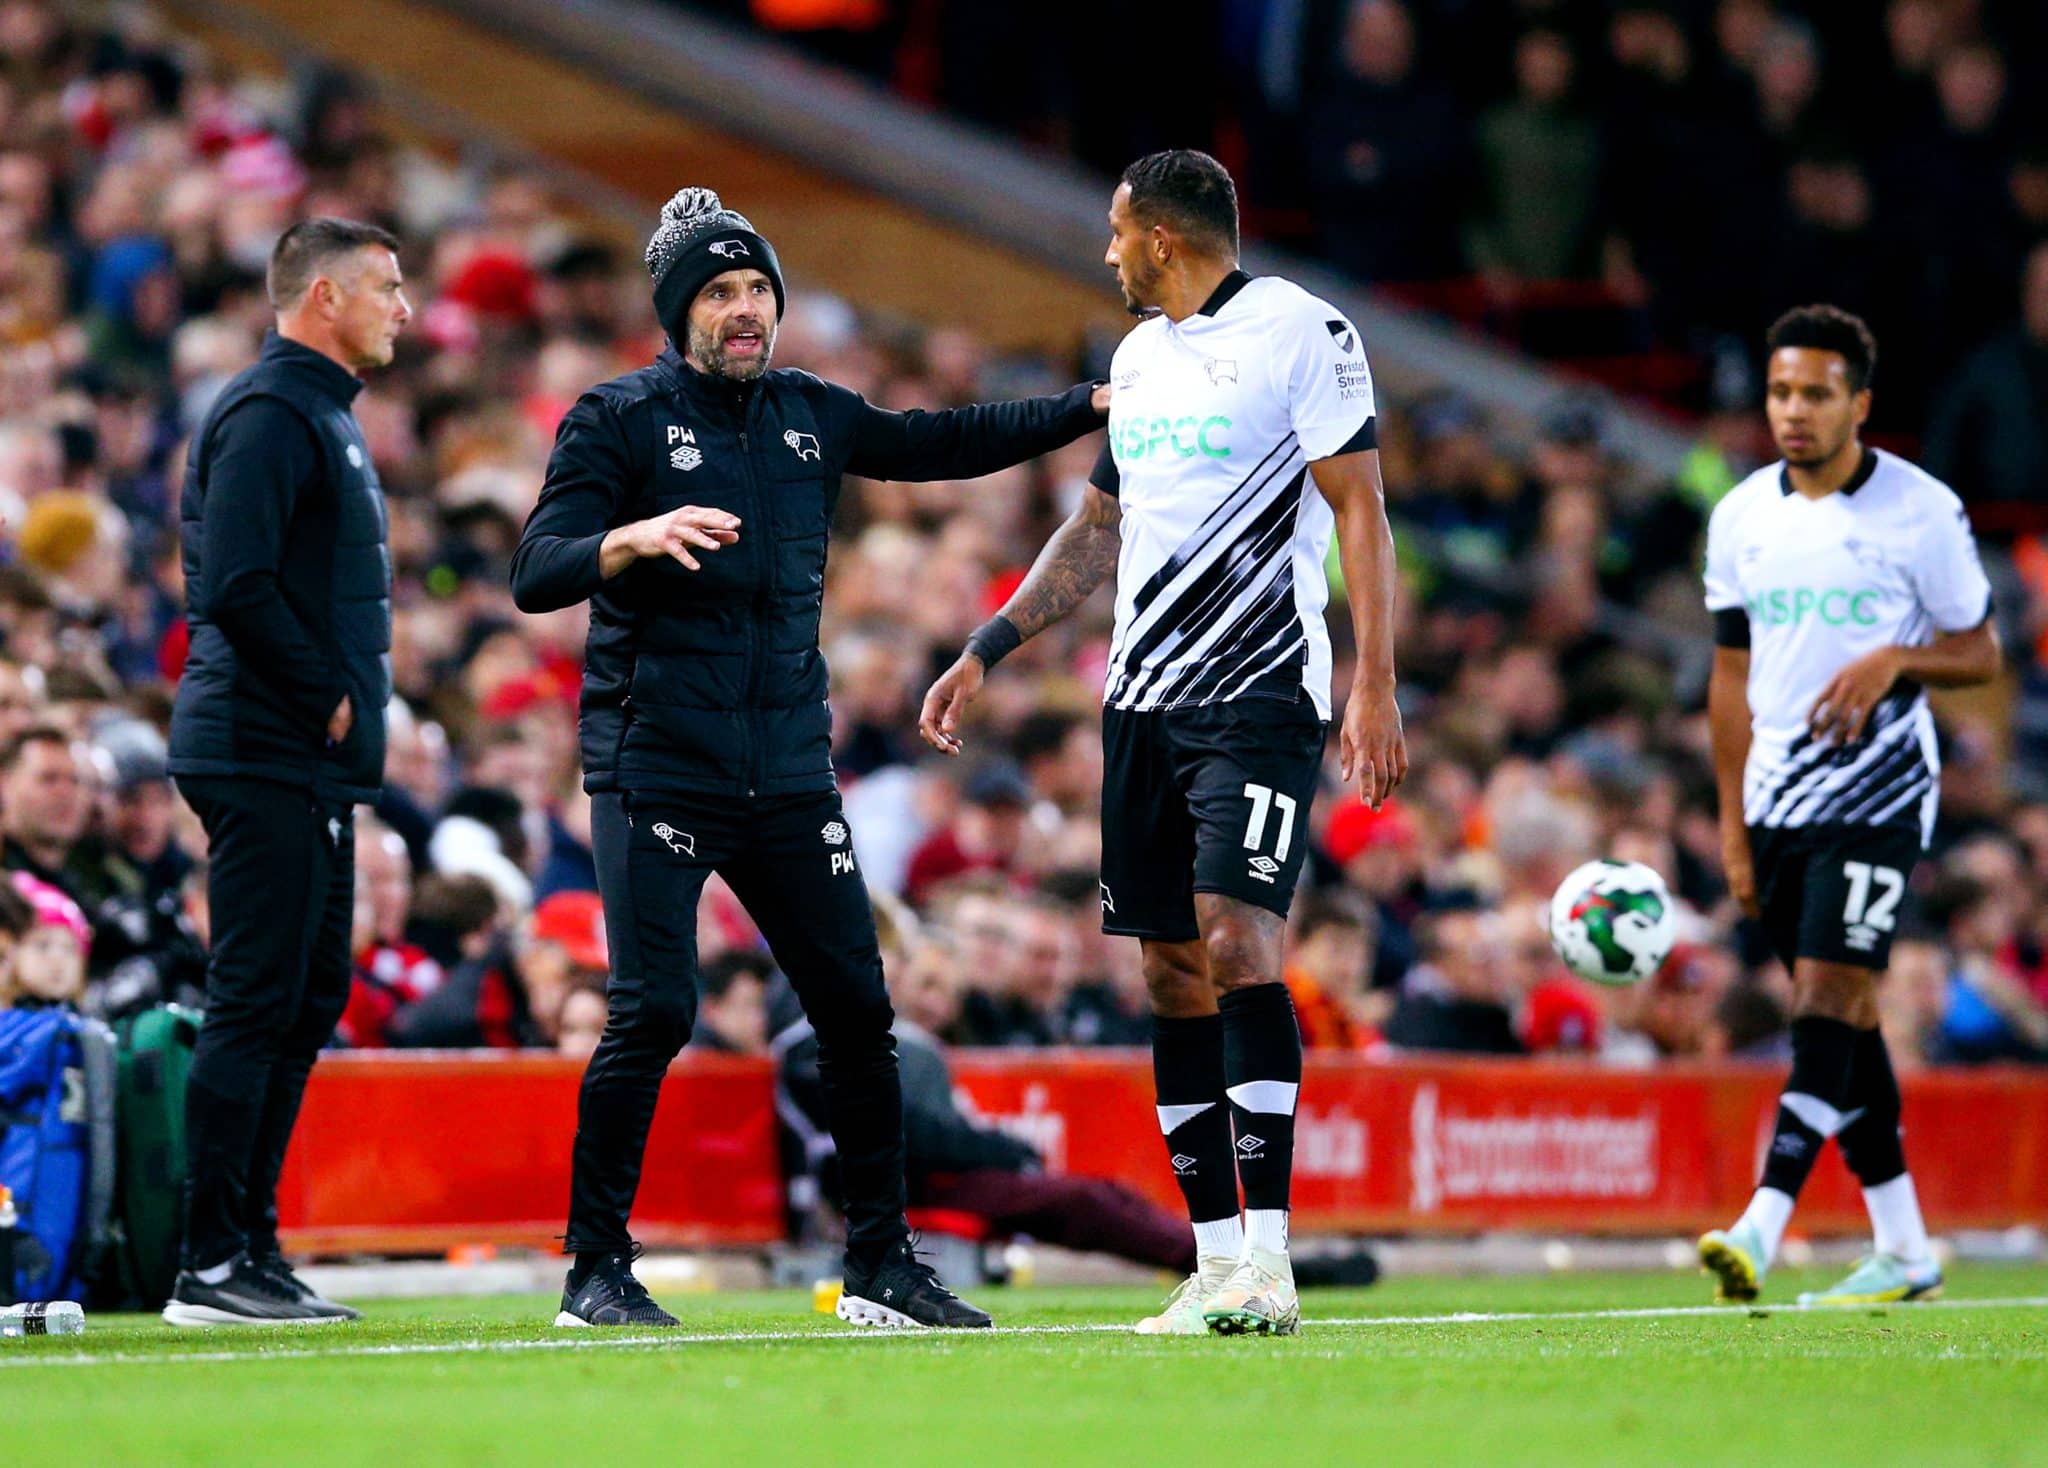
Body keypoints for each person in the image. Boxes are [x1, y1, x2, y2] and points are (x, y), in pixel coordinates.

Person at [510, 186, 1108, 1331]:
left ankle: (880, 1261)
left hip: (785, 768)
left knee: (857, 1006)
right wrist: (626, 539)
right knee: (653, 1010)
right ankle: (596, 1269)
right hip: (656, 763)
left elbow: (939, 443)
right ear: (679, 309)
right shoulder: (617, 418)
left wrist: (1087, 402)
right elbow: (536, 567)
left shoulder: (807, 412)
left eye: (758, 291)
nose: (745, 311)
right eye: (722, 292)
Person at [920, 150, 1404, 1336]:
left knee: (1241, 938)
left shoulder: (1301, 331)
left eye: (1115, 232)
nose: (1106, 252)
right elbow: (1095, 531)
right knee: (1165, 966)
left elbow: (1361, 511)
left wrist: (1374, 682)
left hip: (1257, 696)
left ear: (1166, 239)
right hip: (1139, 703)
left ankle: (1272, 1262)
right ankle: (1213, 1260)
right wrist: (987, 643)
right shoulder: (1135, 362)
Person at [1698, 305, 2000, 1309]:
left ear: (1857, 404)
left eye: (1814, 393)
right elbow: (1726, 677)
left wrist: (1893, 658)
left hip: (1877, 791)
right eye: (1781, 391)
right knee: (1848, 1019)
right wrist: (1731, 827)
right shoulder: (1741, 515)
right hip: (1775, 792)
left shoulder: (1918, 513)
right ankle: (1905, 1247)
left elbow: (1979, 648)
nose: (1791, 410)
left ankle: (1762, 1221)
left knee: (1825, 1000)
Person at [160, 217, 411, 1327]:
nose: (404, 308)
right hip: (266, 747)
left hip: (301, 759)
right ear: (322, 298)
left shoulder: (316, 413)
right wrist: (330, 696)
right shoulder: (271, 414)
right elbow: (233, 584)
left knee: (305, 993)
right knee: (257, 996)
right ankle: (209, 1260)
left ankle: (250, 1245)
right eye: (386, 288)